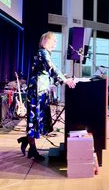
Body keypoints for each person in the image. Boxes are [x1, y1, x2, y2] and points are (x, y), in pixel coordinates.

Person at [20, 32, 76, 160]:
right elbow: (51, 68)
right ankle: (31, 147)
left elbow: (49, 71)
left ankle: (29, 144)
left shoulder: (44, 53)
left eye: (56, 42)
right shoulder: (43, 52)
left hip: (40, 91)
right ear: (44, 40)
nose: (55, 43)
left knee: (35, 123)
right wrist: (64, 80)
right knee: (33, 122)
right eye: (53, 40)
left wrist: (63, 78)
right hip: (36, 92)